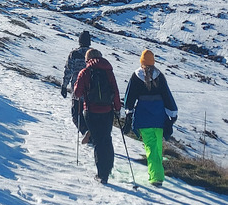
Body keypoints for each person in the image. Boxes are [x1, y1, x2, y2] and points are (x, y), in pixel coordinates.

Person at [123, 49, 178, 187]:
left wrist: (128, 114)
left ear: (142, 62)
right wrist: (173, 113)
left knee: (150, 147)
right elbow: (167, 96)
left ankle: (156, 177)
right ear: (153, 62)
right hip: (159, 117)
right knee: (157, 146)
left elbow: (129, 98)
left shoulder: (136, 76)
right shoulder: (159, 76)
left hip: (143, 117)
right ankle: (157, 172)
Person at [74, 48, 121, 184]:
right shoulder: (108, 71)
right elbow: (115, 91)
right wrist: (117, 108)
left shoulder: (85, 72)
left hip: (91, 111)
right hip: (107, 111)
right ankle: (108, 167)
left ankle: (102, 174)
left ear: (87, 59)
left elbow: (77, 93)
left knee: (98, 141)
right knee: (106, 138)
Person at [61, 30, 91, 142]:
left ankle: (85, 132)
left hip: (77, 89)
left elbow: (68, 71)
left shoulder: (74, 54)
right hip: (92, 90)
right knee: (90, 113)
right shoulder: (94, 54)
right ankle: (91, 133)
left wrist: (64, 86)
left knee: (76, 115)